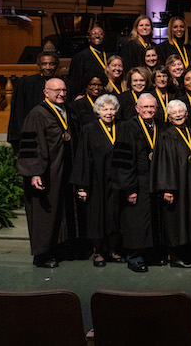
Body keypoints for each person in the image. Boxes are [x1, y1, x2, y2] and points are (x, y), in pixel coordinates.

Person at [17, 78, 77, 268]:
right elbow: (30, 145)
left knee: (61, 212)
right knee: (44, 213)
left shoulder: (67, 111)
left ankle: (58, 248)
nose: (61, 94)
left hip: (63, 171)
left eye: (64, 90)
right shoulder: (37, 114)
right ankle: (41, 255)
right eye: (56, 90)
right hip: (45, 173)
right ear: (46, 92)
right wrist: (34, 173)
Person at [71, 93, 123, 267]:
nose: (108, 112)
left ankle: (112, 250)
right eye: (104, 109)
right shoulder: (89, 129)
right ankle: (98, 252)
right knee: (97, 217)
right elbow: (83, 158)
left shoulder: (122, 128)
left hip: (117, 182)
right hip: (96, 182)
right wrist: (81, 187)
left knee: (115, 217)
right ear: (97, 111)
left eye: (111, 109)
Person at [151, 99, 191, 267]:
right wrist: (167, 189)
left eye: (181, 111)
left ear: (187, 114)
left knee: (190, 217)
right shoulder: (166, 136)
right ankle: (174, 256)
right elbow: (163, 164)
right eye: (174, 113)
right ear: (168, 117)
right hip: (176, 184)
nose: (178, 115)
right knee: (176, 219)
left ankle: (189, 252)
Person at [111, 93, 160, 273]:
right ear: (137, 109)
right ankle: (134, 257)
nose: (148, 110)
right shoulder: (127, 127)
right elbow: (123, 160)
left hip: (154, 182)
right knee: (135, 221)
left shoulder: (158, 126)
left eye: (152, 107)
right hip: (136, 182)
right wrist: (129, 188)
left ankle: (150, 254)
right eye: (145, 107)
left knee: (151, 220)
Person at [7, 51, 60, 151]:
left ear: (56, 66)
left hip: (54, 134)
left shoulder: (62, 84)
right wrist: (17, 139)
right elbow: (18, 112)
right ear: (38, 66)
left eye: (51, 64)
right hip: (32, 133)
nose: (47, 67)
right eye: (44, 64)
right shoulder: (26, 83)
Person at [67, 25, 108, 97]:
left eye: (100, 34)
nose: (97, 36)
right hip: (86, 95)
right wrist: (79, 94)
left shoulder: (109, 56)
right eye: (94, 33)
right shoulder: (80, 57)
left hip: (105, 93)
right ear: (89, 38)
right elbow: (75, 80)